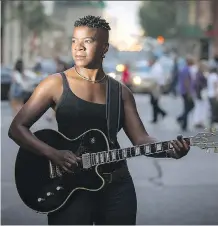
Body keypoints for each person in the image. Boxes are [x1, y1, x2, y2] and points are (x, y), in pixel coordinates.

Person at [8, 15, 190, 225]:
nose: (79, 47)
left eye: (88, 41)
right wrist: (53, 154)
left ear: (104, 48)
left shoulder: (120, 92)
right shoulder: (55, 84)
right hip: (70, 187)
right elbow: (17, 128)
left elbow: (140, 139)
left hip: (116, 187)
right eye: (75, 41)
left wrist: (170, 151)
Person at [177, 55, 196, 131]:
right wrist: (189, 92)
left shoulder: (186, 69)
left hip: (184, 90)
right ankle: (181, 118)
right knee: (191, 105)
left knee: (187, 107)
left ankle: (184, 123)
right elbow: (186, 81)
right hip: (186, 91)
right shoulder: (186, 70)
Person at [147, 55, 167, 123]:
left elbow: (155, 79)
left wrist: (151, 87)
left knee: (154, 102)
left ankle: (162, 113)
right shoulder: (155, 67)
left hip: (156, 87)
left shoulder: (156, 68)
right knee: (154, 102)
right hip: (156, 86)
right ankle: (156, 117)